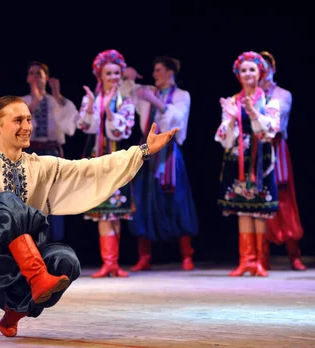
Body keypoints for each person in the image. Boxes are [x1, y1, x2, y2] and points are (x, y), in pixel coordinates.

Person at [0, 96, 178, 337]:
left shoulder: (43, 166)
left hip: (19, 274)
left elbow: (91, 169)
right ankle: (37, 277)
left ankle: (15, 311)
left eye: (28, 119)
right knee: (5, 203)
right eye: (18, 120)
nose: (27, 126)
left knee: (67, 261)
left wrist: (142, 151)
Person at [121, 56, 199, 271]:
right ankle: (144, 256)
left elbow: (177, 120)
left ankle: (186, 254)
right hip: (147, 152)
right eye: (154, 71)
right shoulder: (147, 91)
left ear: (169, 72)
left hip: (169, 153)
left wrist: (153, 100)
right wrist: (127, 77)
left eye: (158, 70)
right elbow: (124, 93)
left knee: (177, 201)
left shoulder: (182, 96)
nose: (154, 74)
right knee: (144, 201)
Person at [215, 51, 280, 277]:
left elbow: (272, 129)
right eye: (243, 70)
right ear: (238, 75)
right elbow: (224, 137)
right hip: (238, 159)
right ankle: (246, 260)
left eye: (252, 69)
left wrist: (253, 113)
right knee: (243, 211)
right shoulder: (233, 100)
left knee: (260, 212)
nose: (247, 73)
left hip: (261, 160)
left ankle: (260, 261)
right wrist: (232, 119)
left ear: (260, 72)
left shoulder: (271, 100)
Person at [76, 49, 135, 278]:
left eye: (116, 73)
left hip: (117, 157)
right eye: (108, 73)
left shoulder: (125, 102)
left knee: (116, 211)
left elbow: (123, 131)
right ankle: (108, 262)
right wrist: (93, 107)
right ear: (99, 75)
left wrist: (109, 112)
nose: (112, 77)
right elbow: (85, 126)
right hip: (97, 157)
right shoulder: (91, 99)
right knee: (103, 212)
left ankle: (114, 263)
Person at [259, 51, 306, 271]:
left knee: (284, 200)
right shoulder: (250, 94)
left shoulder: (282, 94)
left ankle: (294, 254)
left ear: (273, 69)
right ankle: (261, 257)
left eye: (265, 66)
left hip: (276, 149)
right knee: (259, 202)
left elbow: (275, 123)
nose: (262, 71)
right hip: (257, 152)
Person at [22, 61, 78, 242]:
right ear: (27, 78)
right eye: (32, 73)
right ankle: (32, 246)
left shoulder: (58, 101)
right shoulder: (22, 102)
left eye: (40, 73)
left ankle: (55, 244)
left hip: (51, 152)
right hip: (29, 153)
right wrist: (36, 102)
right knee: (30, 199)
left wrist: (57, 96)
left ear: (47, 77)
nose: (36, 76)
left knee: (53, 200)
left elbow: (69, 128)